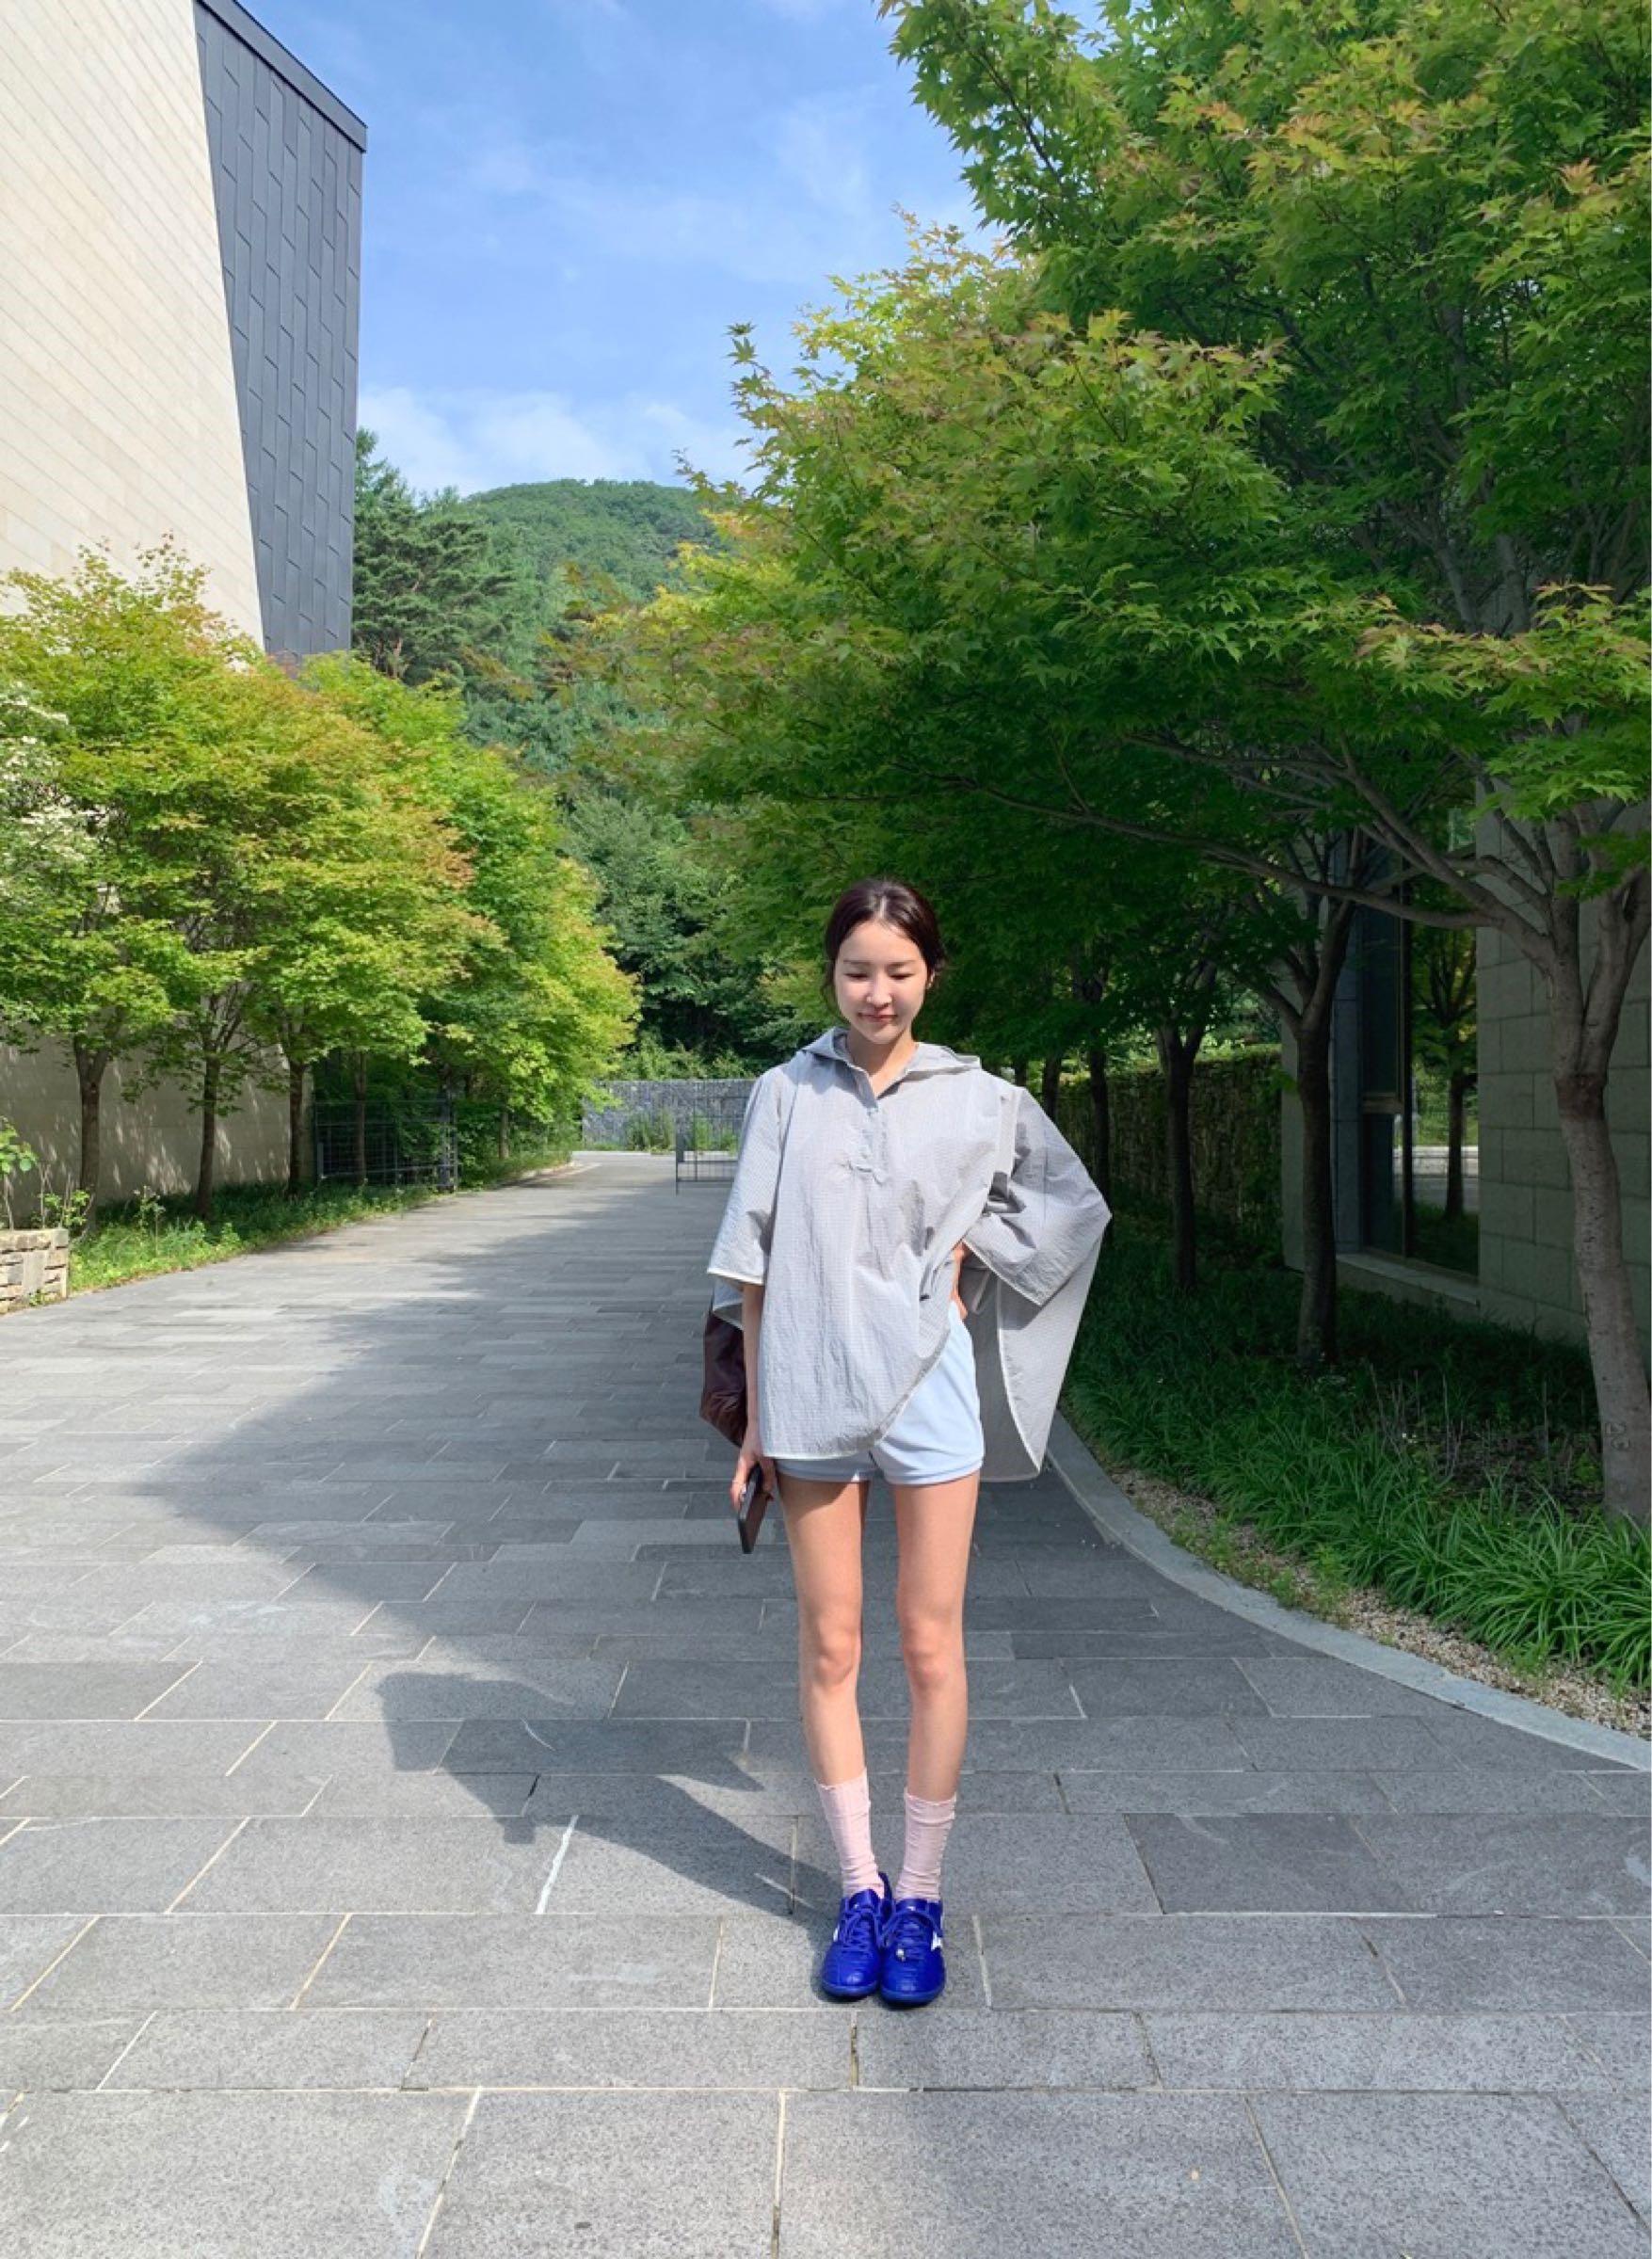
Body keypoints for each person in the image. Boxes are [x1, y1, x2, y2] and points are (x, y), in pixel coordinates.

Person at [705, 877, 1111, 2008]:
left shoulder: (984, 1099)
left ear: (931, 973)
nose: (876, 992)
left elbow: (1070, 1207)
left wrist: (979, 1255)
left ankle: (920, 1900)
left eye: (898, 970)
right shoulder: (784, 1093)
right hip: (807, 1390)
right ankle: (859, 1889)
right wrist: (755, 1417)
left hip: (931, 1399)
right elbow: (751, 1258)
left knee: (931, 1645)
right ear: (830, 974)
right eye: (856, 970)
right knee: (829, 1646)